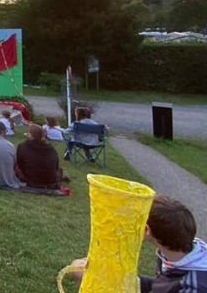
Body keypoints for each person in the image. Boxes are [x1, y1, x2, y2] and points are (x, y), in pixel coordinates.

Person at [68, 195, 207, 293]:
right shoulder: (176, 251)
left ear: (146, 230)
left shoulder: (193, 287)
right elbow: (161, 284)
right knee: (80, 271)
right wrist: (120, 279)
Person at [15, 124, 63, 189]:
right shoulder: (51, 148)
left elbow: (20, 164)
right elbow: (56, 166)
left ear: (30, 135)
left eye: (28, 132)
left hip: (31, 180)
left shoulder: (23, 147)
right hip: (50, 180)